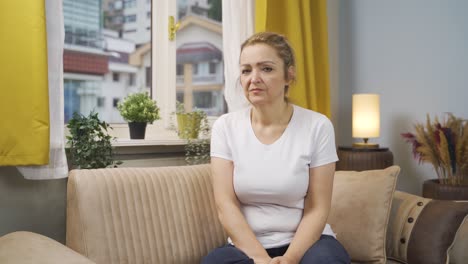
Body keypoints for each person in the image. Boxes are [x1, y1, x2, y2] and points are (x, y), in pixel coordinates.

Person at [202, 32, 350, 264]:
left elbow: (317, 208)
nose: (254, 78)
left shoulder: (317, 125)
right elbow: (226, 205)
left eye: (267, 69)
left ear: (288, 76)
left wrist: (290, 259)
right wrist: (260, 259)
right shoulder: (225, 127)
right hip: (247, 247)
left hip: (308, 244)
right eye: (246, 70)